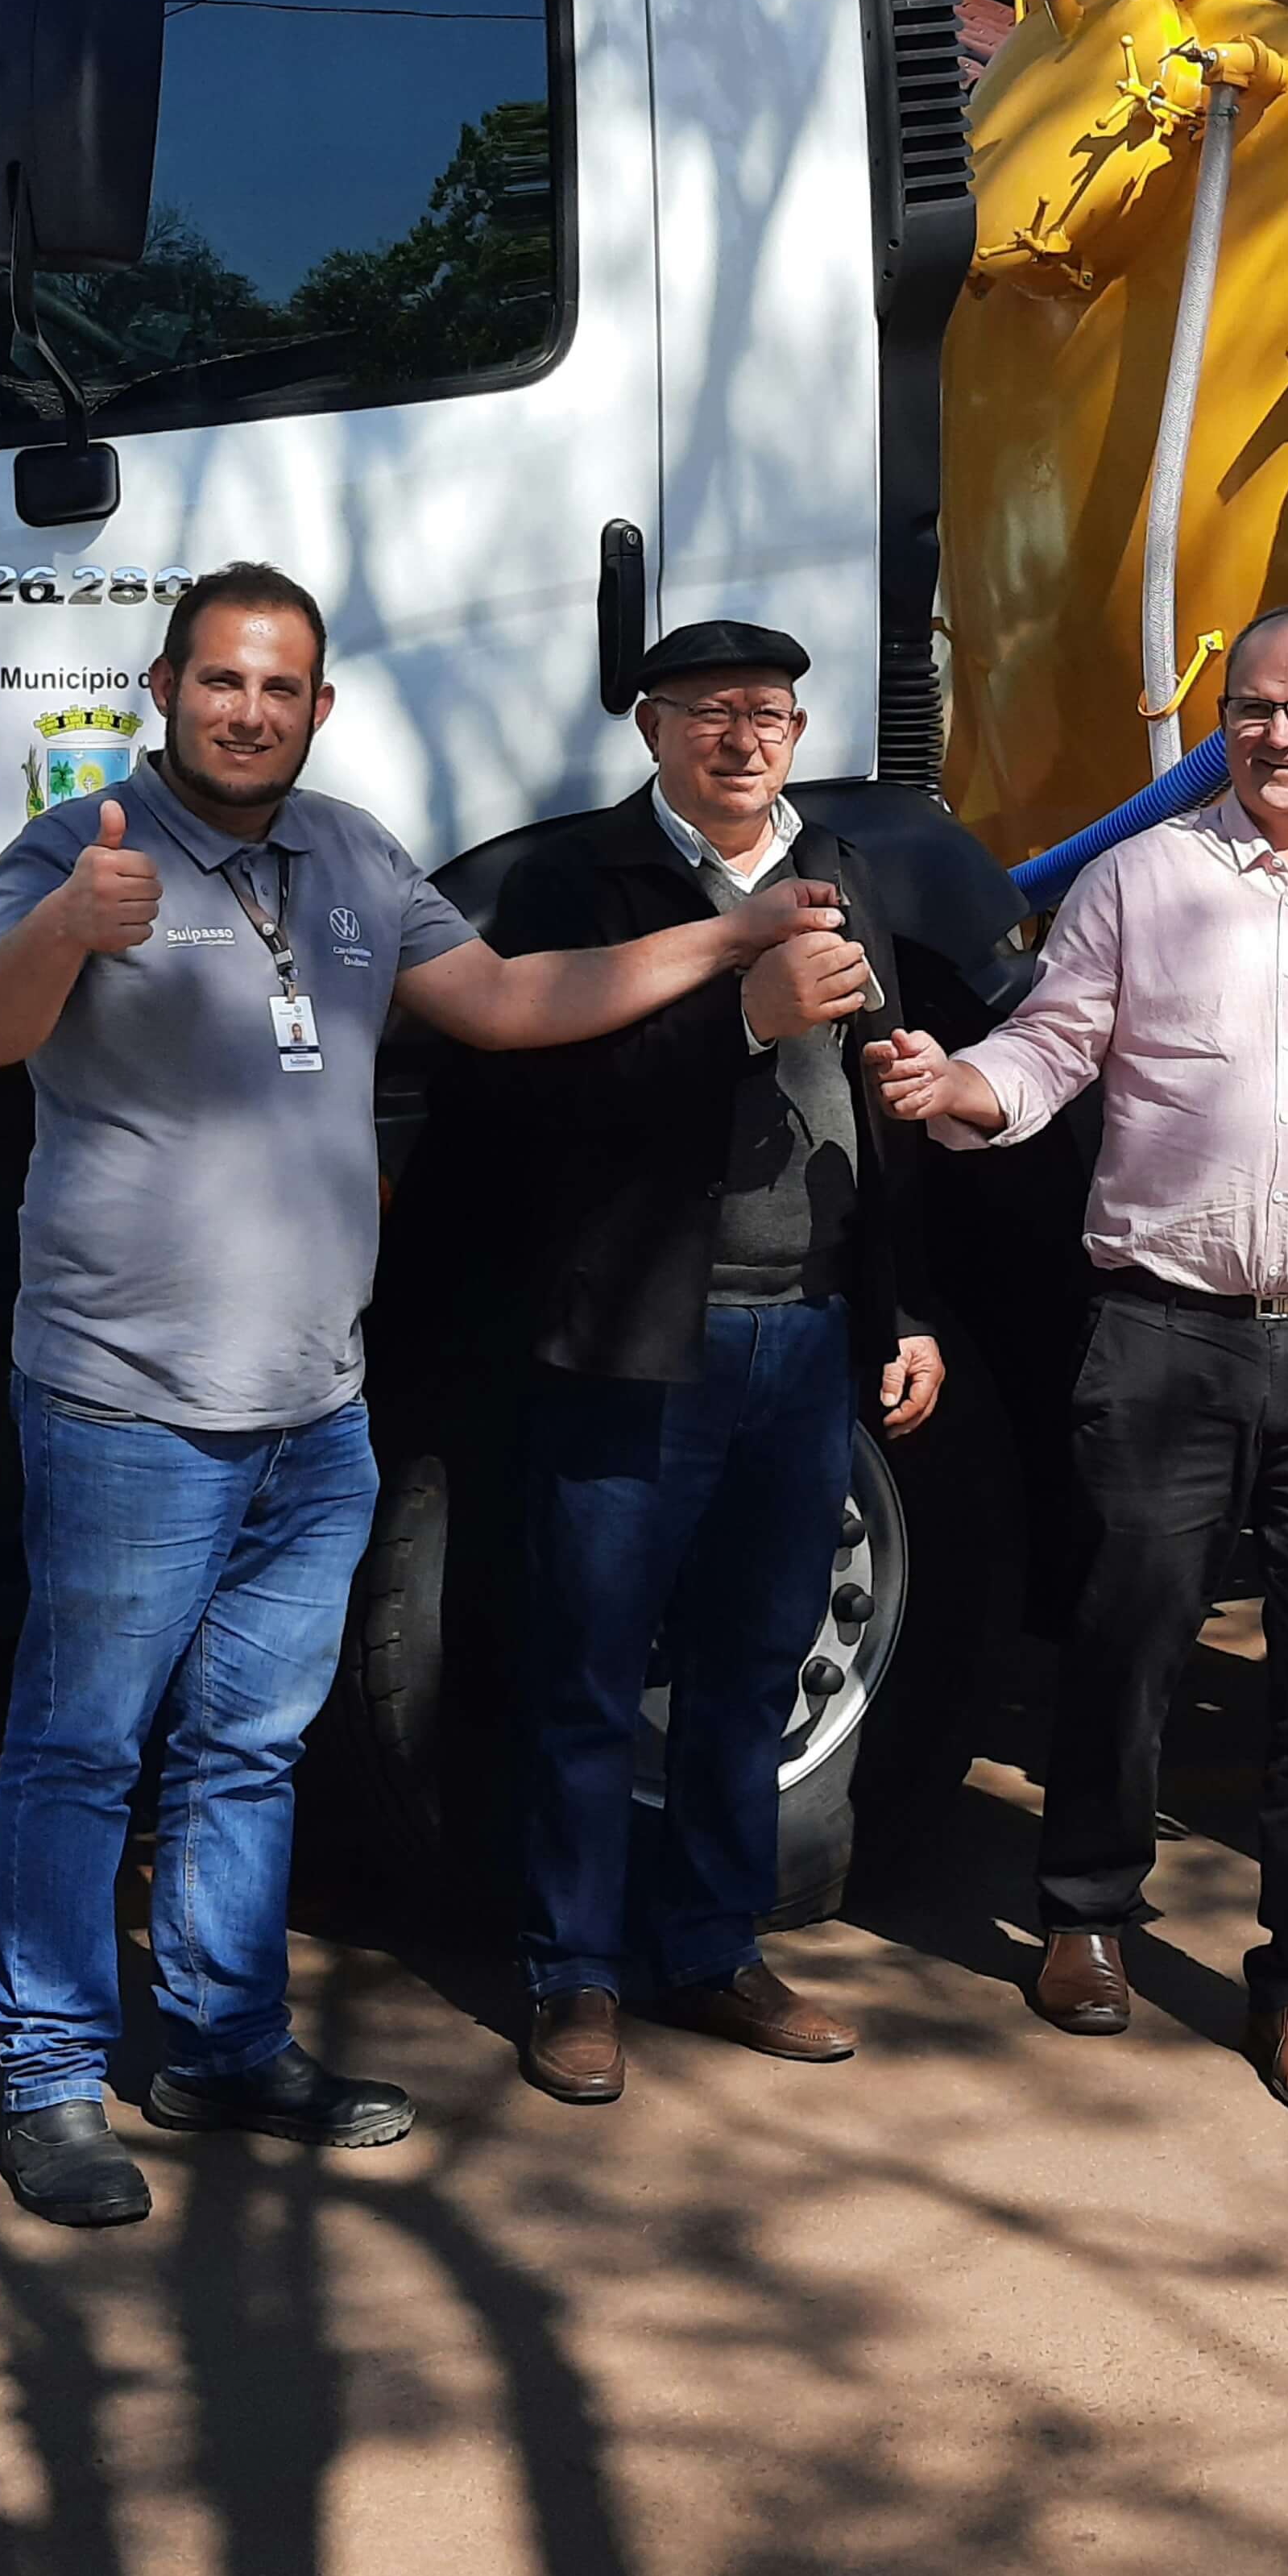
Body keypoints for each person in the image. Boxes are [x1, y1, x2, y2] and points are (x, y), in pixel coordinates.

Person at [0, 565, 820, 2230]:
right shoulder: (86, 847)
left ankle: (218, 2044)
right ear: (165, 684)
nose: (250, 710)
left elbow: (503, 1001)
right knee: (80, 1749)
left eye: (281, 687)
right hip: (130, 1402)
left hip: (312, 1410)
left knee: (249, 1747)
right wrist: (69, 930)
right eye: (222, 681)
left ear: (318, 705)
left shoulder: (349, 852)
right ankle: (50, 2077)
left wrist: (724, 936)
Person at [871, 608, 1288, 2118]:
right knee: (1127, 1637)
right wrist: (964, 1085)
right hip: (1164, 1335)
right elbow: (1051, 1050)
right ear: (1219, 723)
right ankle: (1090, 1914)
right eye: (1250, 712)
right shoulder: (1139, 882)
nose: (1279, 737)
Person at [479, 620, 942, 2106]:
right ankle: (573, 1974)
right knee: (591, 1667)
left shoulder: (839, 873)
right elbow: (540, 1114)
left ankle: (714, 1947)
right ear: (650, 730)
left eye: (769, 714)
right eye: (709, 715)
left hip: (804, 1329)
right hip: (638, 1332)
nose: (744, 740)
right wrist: (739, 1022)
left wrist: (905, 1306)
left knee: (751, 1666)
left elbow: (872, 1116)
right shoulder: (576, 880)